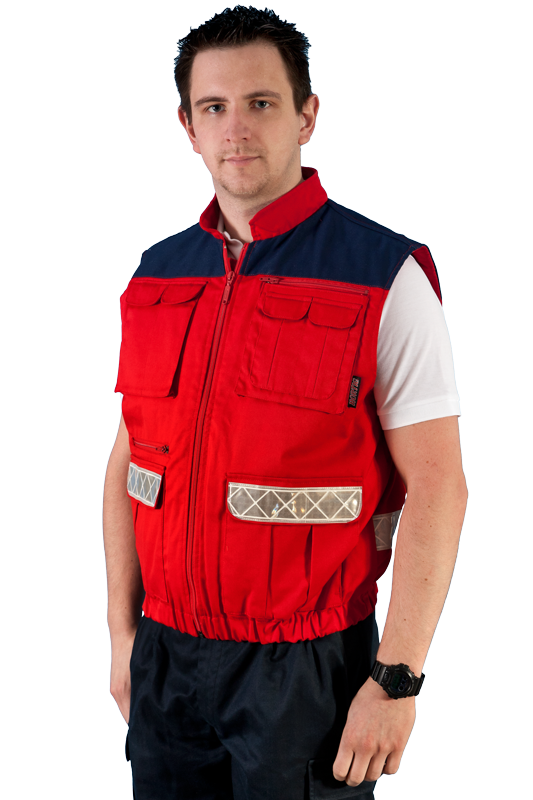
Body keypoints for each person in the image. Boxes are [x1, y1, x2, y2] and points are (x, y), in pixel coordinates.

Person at [103, 5, 468, 799]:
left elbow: (440, 485)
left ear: (306, 116)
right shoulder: (157, 275)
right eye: (213, 107)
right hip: (165, 658)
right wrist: (122, 634)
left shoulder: (383, 275)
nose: (236, 128)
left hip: (307, 669)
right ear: (187, 126)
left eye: (261, 103)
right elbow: (130, 463)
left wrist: (396, 680)